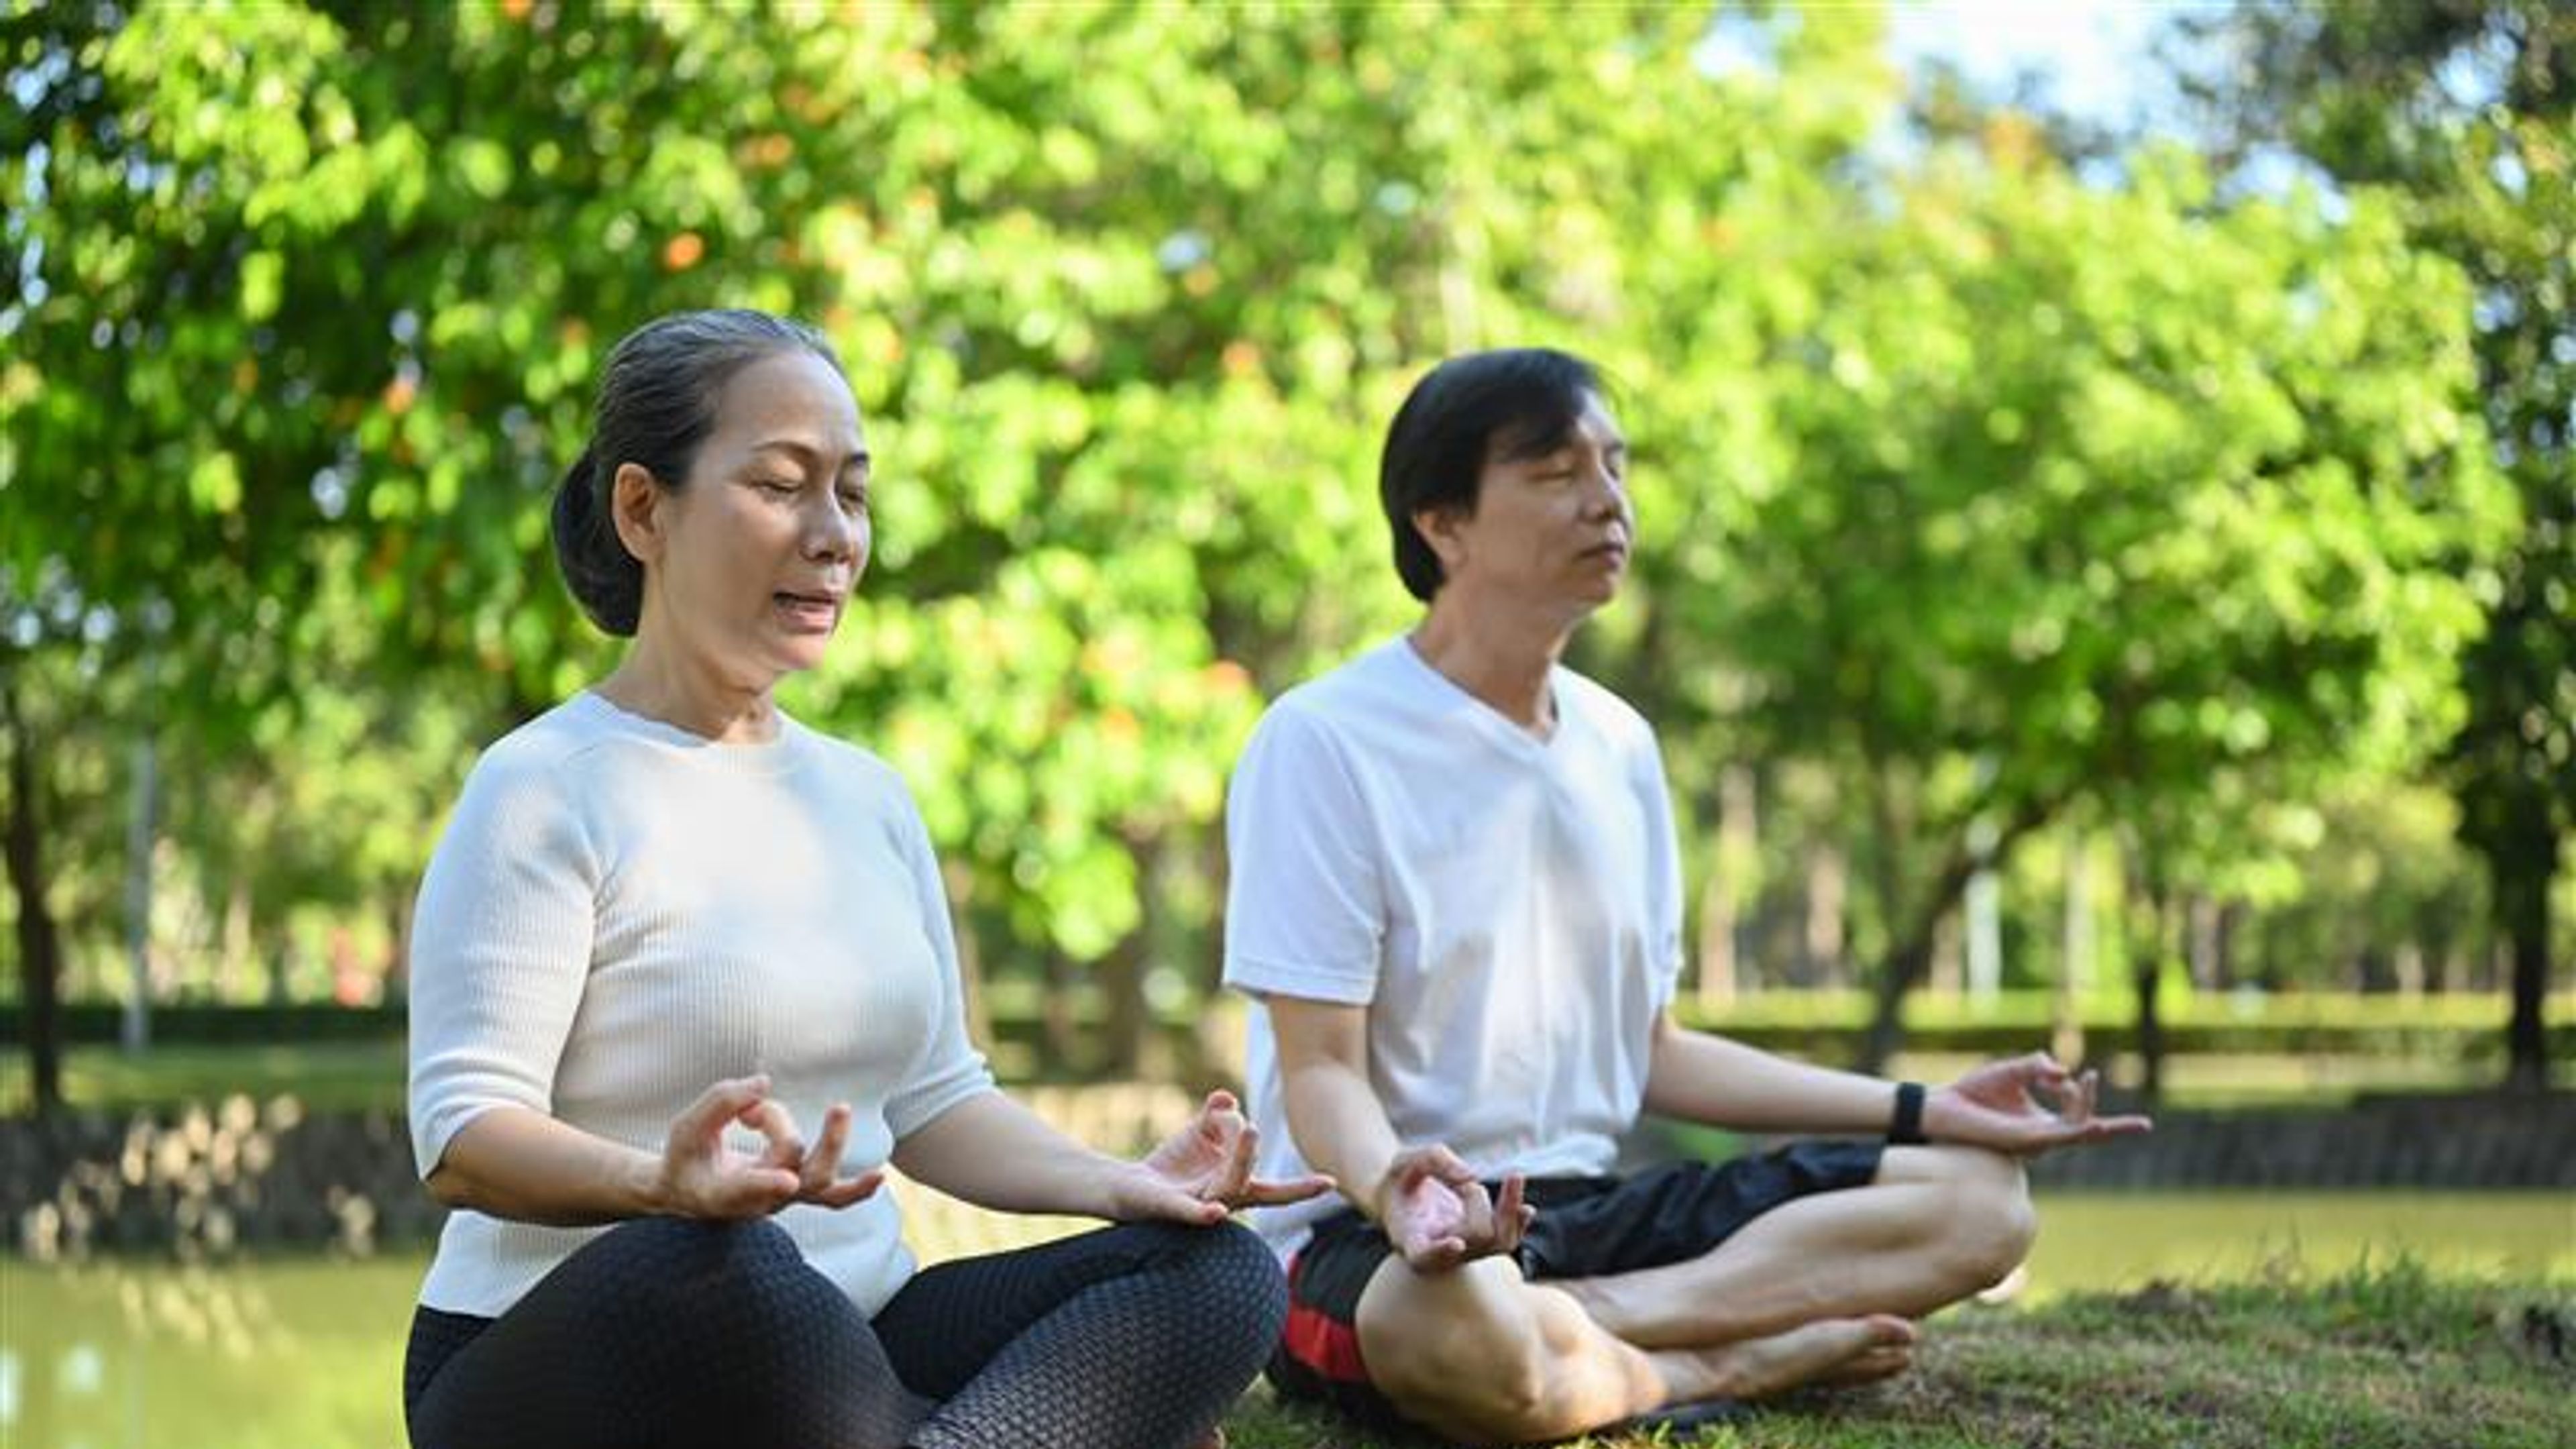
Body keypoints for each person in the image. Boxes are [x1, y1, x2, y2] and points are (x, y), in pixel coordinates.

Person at [402, 308, 1327, 1449]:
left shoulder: (870, 796)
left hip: (848, 1350)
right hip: (580, 1349)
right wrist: (663, 1185)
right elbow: (462, 1135)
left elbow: (937, 1101)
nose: (834, 533)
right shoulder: (543, 786)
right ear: (643, 509)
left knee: (1220, 1273)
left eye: (852, 491)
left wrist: (1121, 1184)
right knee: (728, 1262)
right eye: (783, 485)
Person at [1221, 347, 2151, 1444]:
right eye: (1558, 470)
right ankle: (1741, 1357)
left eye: (1615, 466)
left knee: (1981, 1200)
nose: (1608, 500)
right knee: (1462, 1326)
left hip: (1595, 1207)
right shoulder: (1325, 738)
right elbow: (1323, 1069)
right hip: (1385, 1233)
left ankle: (1576, 1339)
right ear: (1444, 521)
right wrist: (1399, 1190)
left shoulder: (1619, 745)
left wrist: (1924, 1109)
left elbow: (1653, 1051)